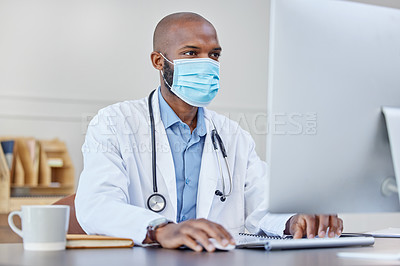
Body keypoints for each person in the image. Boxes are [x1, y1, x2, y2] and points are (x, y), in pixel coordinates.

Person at [75, 12, 343, 252]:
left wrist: (293, 219)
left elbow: (262, 205)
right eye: (191, 53)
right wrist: (161, 228)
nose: (207, 64)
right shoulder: (114, 122)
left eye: (214, 55)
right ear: (159, 61)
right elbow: (96, 205)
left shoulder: (233, 135)